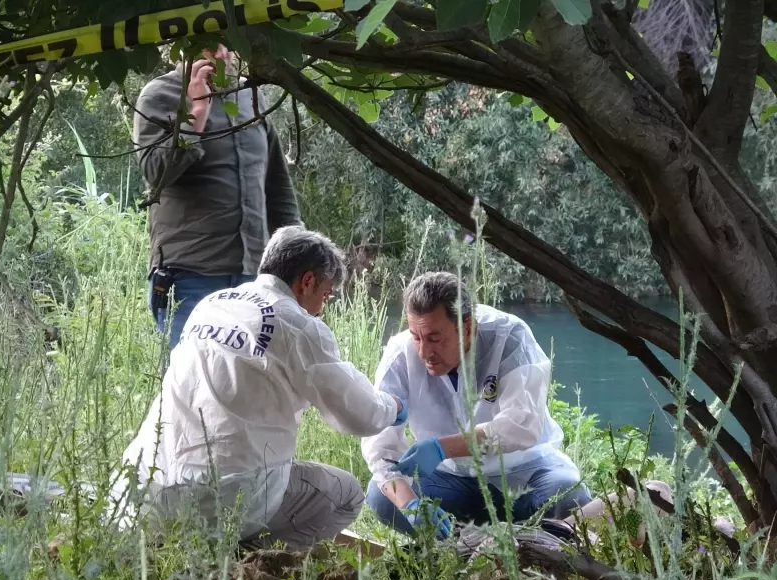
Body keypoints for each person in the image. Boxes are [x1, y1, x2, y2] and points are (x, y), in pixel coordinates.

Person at [121, 228, 406, 551]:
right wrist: (393, 407)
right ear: (307, 281)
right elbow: (360, 414)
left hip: (145, 487)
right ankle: (248, 562)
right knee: (346, 494)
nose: (321, 309)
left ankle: (194, 552)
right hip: (222, 501)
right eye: (325, 295)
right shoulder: (298, 325)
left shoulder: (210, 304)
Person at [363, 272, 592, 539]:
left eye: (435, 338)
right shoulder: (401, 353)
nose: (424, 352)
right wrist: (411, 504)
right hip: (450, 478)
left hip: (525, 472)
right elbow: (380, 445)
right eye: (416, 336)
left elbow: (522, 425)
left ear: (467, 327)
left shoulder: (509, 337)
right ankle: (459, 546)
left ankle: (530, 544)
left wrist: (441, 448)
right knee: (381, 496)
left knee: (569, 495)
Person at [132, 43, 303, 349]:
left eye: (229, 44)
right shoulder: (159, 95)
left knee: (256, 377)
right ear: (185, 47)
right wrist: (196, 112)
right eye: (210, 44)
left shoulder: (250, 95)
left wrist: (300, 257)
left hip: (257, 279)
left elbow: (277, 188)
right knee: (196, 379)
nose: (222, 53)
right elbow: (156, 173)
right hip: (189, 279)